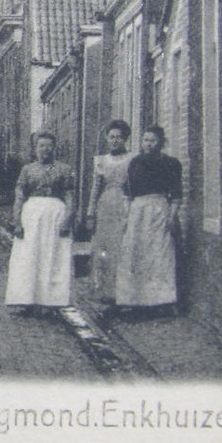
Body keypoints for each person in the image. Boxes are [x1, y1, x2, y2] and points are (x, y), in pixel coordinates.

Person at [115, 124, 183, 313]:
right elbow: (127, 193)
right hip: (138, 211)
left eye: (153, 141)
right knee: (135, 253)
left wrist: (171, 216)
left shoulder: (171, 164)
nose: (149, 144)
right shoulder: (135, 163)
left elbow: (177, 195)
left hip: (159, 209)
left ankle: (161, 300)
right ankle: (133, 300)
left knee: (159, 254)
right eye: (146, 140)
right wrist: (126, 216)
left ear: (160, 142)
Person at [5, 131, 76, 312]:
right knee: (29, 256)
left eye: (49, 146)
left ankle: (50, 301)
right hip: (32, 216)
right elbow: (20, 196)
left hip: (55, 216)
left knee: (53, 256)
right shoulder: (27, 170)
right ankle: (27, 299)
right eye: (41, 146)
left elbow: (69, 196)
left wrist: (68, 220)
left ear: (54, 148)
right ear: (35, 149)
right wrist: (17, 222)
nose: (45, 149)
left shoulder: (64, 170)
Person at [85, 120, 133, 305]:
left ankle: (121, 292)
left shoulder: (131, 159)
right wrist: (90, 214)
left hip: (124, 205)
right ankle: (105, 292)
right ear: (107, 138)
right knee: (103, 250)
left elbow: (133, 185)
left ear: (125, 139)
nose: (115, 140)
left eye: (119, 137)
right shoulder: (101, 161)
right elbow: (95, 189)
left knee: (121, 248)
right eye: (112, 137)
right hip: (105, 207)